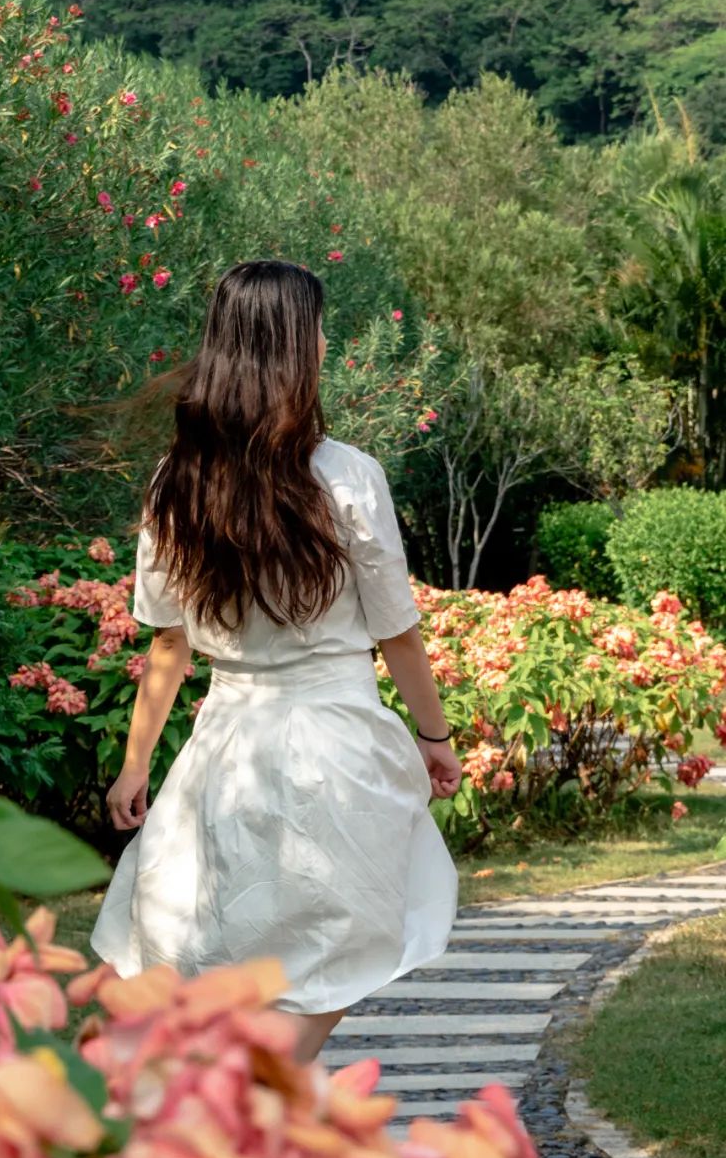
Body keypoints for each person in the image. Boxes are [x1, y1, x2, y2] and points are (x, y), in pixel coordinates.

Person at [91, 260, 461, 1065]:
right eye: (318, 330)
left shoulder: (176, 482)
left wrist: (137, 765)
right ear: (292, 349)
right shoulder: (347, 476)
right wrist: (434, 736)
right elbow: (397, 631)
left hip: (223, 743)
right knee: (344, 936)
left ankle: (233, 1101)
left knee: (219, 942)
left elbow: (167, 642)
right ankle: (254, 1097)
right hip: (335, 738)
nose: (326, 342)